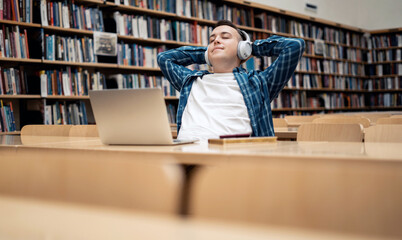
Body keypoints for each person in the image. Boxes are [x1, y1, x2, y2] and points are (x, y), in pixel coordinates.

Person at [157, 20, 305, 141]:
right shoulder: (190, 81)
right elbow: (164, 58)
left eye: (225, 37)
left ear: (242, 49)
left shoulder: (258, 83)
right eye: (212, 39)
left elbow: (294, 46)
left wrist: (251, 48)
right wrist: (206, 53)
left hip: (233, 161)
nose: (216, 41)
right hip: (184, 156)